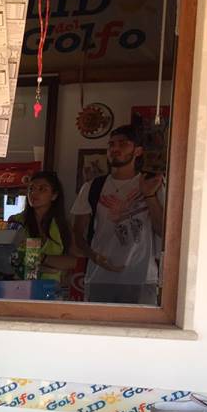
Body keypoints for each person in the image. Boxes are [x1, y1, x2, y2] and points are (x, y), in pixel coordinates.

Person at [72, 125, 165, 304]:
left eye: (123, 144)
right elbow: (77, 233)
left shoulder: (153, 183)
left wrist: (149, 195)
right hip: (99, 276)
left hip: (142, 277)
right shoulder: (92, 187)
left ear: (138, 151)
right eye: (111, 144)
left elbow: (163, 230)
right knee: (97, 330)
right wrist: (94, 257)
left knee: (141, 330)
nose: (115, 149)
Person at [8, 171, 77, 283]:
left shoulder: (62, 224)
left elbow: (73, 261)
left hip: (52, 290)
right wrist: (50, 266)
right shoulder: (16, 221)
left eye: (42, 189)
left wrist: (43, 258)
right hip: (20, 287)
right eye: (31, 189)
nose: (34, 193)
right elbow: (8, 257)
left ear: (54, 195)